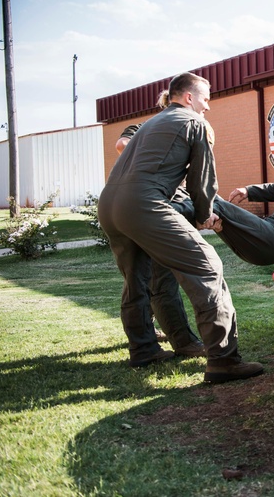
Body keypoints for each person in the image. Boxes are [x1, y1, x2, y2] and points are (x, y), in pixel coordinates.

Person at [98, 72, 263, 383]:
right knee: (207, 266)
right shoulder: (192, 122)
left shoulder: (150, 123)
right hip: (143, 204)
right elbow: (203, 179)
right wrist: (205, 216)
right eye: (205, 100)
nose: (208, 108)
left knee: (136, 280)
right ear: (189, 98)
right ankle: (224, 360)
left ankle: (144, 349)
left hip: (109, 204)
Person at [112, 89, 203, 355]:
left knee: (138, 280)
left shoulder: (176, 131)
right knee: (160, 280)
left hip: (127, 206)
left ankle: (144, 344)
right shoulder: (147, 129)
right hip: (149, 208)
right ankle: (184, 343)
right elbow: (121, 145)